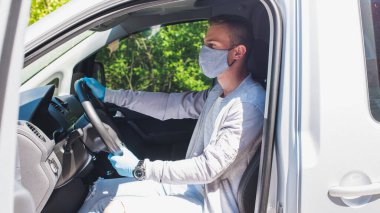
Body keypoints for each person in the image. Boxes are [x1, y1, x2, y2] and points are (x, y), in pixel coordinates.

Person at [78, 15, 265, 213]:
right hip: (193, 188)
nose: (204, 51)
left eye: (212, 45)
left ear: (238, 52)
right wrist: (110, 95)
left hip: (212, 203)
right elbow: (169, 105)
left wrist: (141, 168)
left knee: (115, 208)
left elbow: (208, 168)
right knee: (101, 191)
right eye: (204, 44)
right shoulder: (218, 92)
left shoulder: (247, 105)